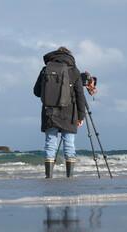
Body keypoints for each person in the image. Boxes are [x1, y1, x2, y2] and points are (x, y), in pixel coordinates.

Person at [33, 47, 86, 178]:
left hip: (49, 112)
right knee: (69, 142)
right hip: (70, 111)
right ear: (69, 56)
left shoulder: (46, 69)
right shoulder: (74, 70)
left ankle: (49, 176)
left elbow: (36, 91)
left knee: (50, 143)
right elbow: (80, 95)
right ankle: (69, 176)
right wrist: (81, 116)